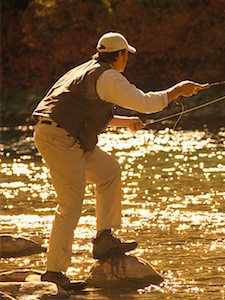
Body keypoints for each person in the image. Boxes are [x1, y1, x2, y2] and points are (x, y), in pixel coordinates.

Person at [32, 32, 208, 290]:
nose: (128, 59)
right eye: (128, 55)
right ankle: (54, 272)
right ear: (122, 55)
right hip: (61, 137)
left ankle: (104, 239)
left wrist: (125, 122)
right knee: (70, 204)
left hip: (62, 133)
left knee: (108, 172)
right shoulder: (109, 76)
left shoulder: (85, 71)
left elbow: (81, 110)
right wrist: (176, 90)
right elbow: (145, 103)